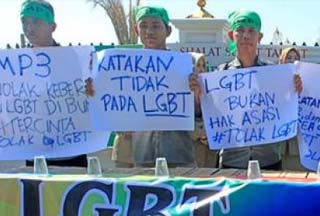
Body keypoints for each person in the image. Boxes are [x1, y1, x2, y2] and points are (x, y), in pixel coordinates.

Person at [90, 5, 197, 168]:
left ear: (168, 30)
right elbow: (109, 106)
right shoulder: (119, 68)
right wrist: (93, 91)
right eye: (144, 26)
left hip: (178, 155)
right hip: (137, 156)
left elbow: (200, 110)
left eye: (156, 26)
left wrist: (196, 91)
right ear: (136, 30)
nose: (149, 31)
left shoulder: (186, 66)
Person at [214, 10, 303, 170]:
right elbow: (210, 113)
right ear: (231, 35)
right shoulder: (220, 75)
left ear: (259, 37)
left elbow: (287, 107)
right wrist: (199, 96)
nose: (245, 36)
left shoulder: (275, 73)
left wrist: (296, 90)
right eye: (240, 30)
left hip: (268, 160)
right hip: (232, 160)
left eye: (251, 31)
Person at [21, 0, 88, 168]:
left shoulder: (74, 58)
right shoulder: (15, 66)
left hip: (72, 150)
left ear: (53, 26)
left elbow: (92, 97)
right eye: (25, 22)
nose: (29, 28)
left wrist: (90, 91)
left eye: (36, 22)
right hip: (34, 151)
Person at [278, 47, 305, 171]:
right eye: (289, 58)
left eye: (295, 58)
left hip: (297, 146)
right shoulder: (272, 81)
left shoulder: (304, 82)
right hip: (277, 144)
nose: (292, 61)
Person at [190, 53, 218, 168]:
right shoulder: (182, 90)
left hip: (208, 150)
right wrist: (199, 132)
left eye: (203, 65)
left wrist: (209, 133)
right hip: (190, 150)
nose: (201, 69)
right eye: (197, 65)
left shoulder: (210, 90)